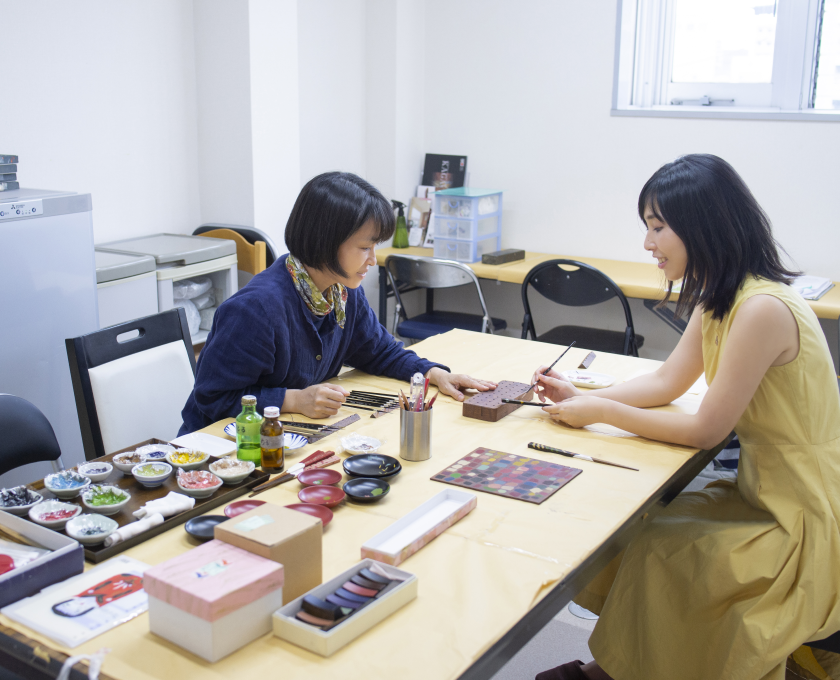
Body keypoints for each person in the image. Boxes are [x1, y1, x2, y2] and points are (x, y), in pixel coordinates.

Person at [532, 155, 840, 680]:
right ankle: (624, 666)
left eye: (657, 227)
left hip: (802, 513)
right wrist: (584, 392)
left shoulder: (762, 308)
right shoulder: (720, 298)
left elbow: (707, 430)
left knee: (667, 548)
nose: (648, 243)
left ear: (704, 226)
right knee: (638, 524)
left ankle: (610, 672)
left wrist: (602, 410)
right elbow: (665, 382)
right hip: (763, 491)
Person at [179, 172, 495, 434]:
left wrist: (432, 374)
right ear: (326, 242)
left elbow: (379, 352)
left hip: (290, 438)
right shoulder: (257, 310)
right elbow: (213, 398)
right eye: (364, 247)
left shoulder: (341, 291)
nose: (373, 260)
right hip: (223, 451)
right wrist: (292, 400)